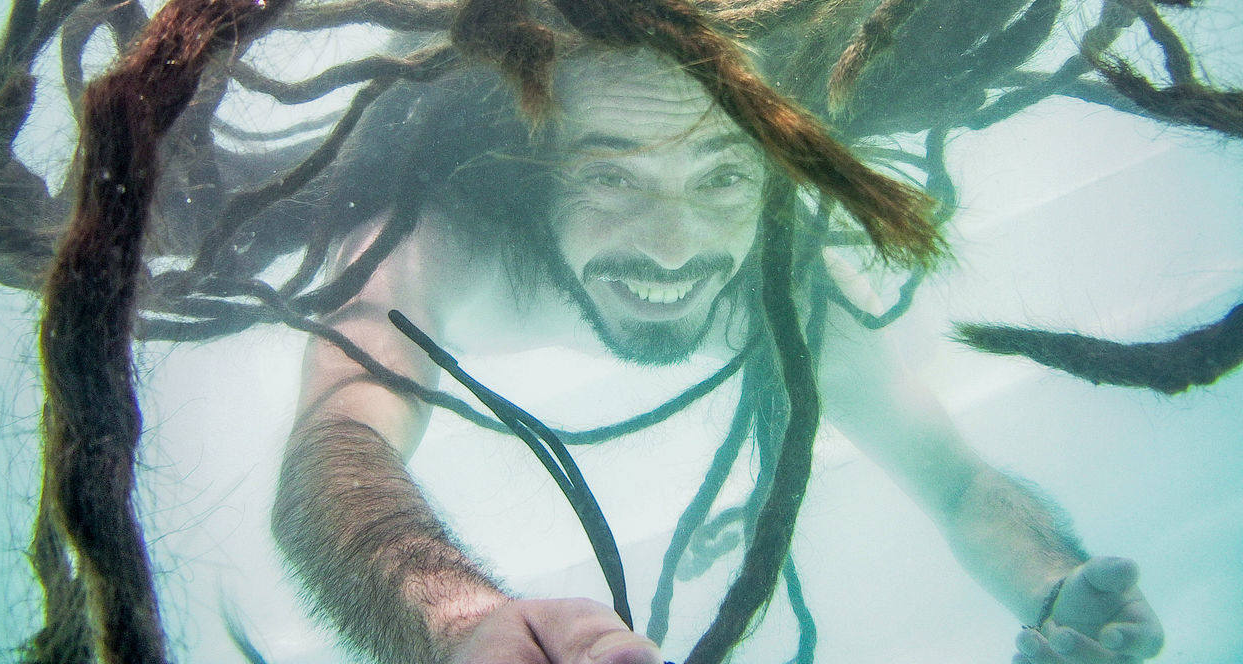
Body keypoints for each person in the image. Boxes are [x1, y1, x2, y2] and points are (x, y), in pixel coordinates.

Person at [271, 42, 1165, 664]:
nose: (671, 247)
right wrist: (457, 623)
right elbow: (336, 445)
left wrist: (1051, 588)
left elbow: (960, 483)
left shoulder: (777, 284)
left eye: (723, 175)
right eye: (610, 174)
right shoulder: (444, 242)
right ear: (527, 171)